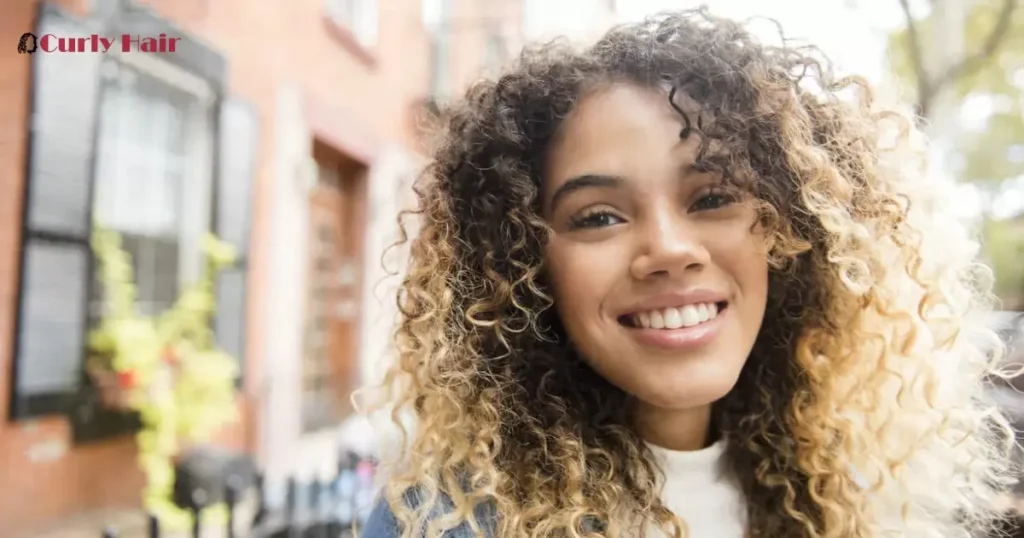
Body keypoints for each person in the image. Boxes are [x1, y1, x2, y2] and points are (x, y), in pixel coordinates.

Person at [359, 8, 1018, 538]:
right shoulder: (443, 521)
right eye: (597, 217)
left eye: (710, 198)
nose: (670, 249)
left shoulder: (857, 495)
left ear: (787, 232)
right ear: (529, 266)